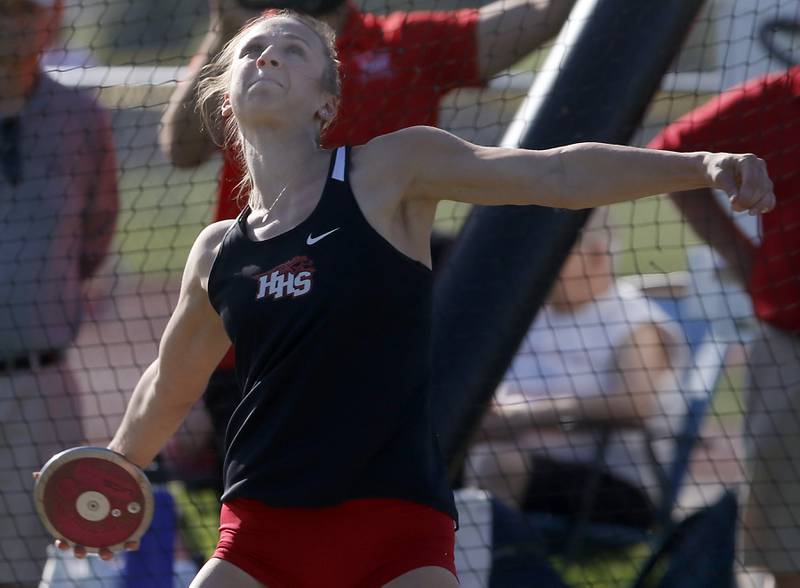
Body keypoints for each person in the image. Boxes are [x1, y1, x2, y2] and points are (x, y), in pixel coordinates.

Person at [52, 11, 774, 588]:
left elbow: (555, 175)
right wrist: (107, 471)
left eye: (293, 50)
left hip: (394, 530)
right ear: (225, 89)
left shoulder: (389, 172)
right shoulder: (218, 251)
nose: (267, 56)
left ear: (325, 103)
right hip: (260, 534)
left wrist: (701, 166)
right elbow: (170, 385)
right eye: (252, 49)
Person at [160, 0, 578, 489]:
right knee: (270, 525)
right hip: (259, 345)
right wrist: (224, 33)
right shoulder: (252, 48)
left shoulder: (410, 46)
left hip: (384, 360)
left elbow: (543, 14)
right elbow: (181, 150)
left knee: (401, 519)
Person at [648, 65, 800, 588]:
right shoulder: (778, 97)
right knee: (788, 546)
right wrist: (740, 257)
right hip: (790, 344)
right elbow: (669, 155)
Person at [465, 209, 684, 530]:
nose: (533, 261)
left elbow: (634, 404)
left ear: (595, 255)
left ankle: (492, 570)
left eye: (548, 250)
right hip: (519, 462)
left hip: (614, 487)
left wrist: (524, 417)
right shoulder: (528, 313)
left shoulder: (635, 322)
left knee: (496, 463)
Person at [0, 0, 119, 586]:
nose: (13, 25)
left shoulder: (80, 118)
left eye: (26, 11)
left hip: (41, 383)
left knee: (45, 564)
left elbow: (94, 237)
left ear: (51, 21)